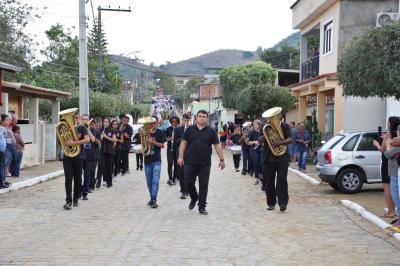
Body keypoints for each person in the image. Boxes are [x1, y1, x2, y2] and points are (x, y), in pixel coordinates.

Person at [178, 110, 225, 215]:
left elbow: (217, 145)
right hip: (190, 161)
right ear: (196, 118)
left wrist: (221, 159)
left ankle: (202, 206)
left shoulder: (211, 131)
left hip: (205, 163)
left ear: (207, 118)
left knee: (203, 185)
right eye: (200, 116)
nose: (202, 118)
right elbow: (183, 143)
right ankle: (194, 197)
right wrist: (180, 157)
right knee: (188, 182)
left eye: (204, 116)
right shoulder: (189, 130)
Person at [259, 112, 292, 212]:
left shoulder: (285, 126)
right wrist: (265, 136)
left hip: (282, 157)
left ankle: (282, 203)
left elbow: (290, 140)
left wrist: (279, 142)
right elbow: (260, 140)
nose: (275, 118)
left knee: (282, 180)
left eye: (277, 116)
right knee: (268, 182)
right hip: (268, 158)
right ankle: (271, 203)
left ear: (280, 116)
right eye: (273, 116)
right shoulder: (265, 127)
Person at [62, 112, 90, 210]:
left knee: (78, 179)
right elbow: (61, 142)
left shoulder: (82, 128)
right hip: (67, 156)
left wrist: (74, 142)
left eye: (77, 118)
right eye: (74, 118)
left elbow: (87, 140)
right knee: (68, 179)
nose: (75, 120)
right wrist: (65, 142)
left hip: (79, 156)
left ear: (79, 119)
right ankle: (68, 201)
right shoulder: (65, 129)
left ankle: (76, 199)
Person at [373, 116, 399, 219]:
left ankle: (391, 211)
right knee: (395, 188)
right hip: (395, 162)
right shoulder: (396, 136)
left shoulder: (389, 135)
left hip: (387, 161)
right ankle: (394, 210)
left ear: (390, 124)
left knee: (388, 187)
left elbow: (383, 150)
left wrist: (377, 144)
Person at [143, 116, 165, 208]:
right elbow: (140, 145)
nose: (153, 125)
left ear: (157, 123)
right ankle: (152, 198)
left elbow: (162, 145)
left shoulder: (160, 132)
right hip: (147, 160)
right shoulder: (144, 133)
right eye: (151, 123)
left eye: (154, 123)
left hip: (156, 160)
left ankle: (153, 199)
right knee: (149, 182)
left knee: (155, 181)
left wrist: (153, 142)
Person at [384, 127, 400, 228]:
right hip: (395, 171)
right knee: (396, 196)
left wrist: (387, 141)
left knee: (396, 196)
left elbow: (388, 154)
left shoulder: (397, 142)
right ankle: (399, 219)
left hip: (395, 172)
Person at [174, 113, 190, 199]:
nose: (186, 122)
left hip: (189, 154)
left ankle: (188, 189)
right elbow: (176, 141)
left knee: (189, 173)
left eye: (187, 121)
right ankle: (184, 191)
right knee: (181, 173)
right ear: (182, 120)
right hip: (180, 154)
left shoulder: (191, 129)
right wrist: (184, 139)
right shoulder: (177, 130)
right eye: (184, 120)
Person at [0, 114, 16, 188]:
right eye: (7, 120)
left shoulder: (7, 127)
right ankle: (2, 182)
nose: (8, 121)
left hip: (10, 147)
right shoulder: (1, 128)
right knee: (3, 166)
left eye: (9, 120)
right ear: (2, 121)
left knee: (5, 166)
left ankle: (3, 180)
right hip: (6, 147)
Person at [99, 118, 116, 188]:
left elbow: (114, 140)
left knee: (109, 167)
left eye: (107, 122)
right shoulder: (101, 130)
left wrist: (106, 137)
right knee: (102, 166)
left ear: (109, 123)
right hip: (102, 151)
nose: (105, 123)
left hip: (110, 151)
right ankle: (103, 180)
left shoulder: (112, 130)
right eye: (104, 122)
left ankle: (109, 182)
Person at [87, 118, 101, 192]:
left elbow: (98, 142)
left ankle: (91, 186)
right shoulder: (84, 132)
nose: (91, 125)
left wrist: (89, 131)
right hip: (86, 154)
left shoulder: (97, 132)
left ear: (94, 124)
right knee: (87, 171)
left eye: (92, 124)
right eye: (89, 124)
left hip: (95, 154)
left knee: (92, 170)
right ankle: (88, 184)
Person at [166, 115, 180, 186]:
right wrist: (169, 139)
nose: (174, 123)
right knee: (170, 163)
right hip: (170, 148)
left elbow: (181, 139)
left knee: (176, 164)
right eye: (172, 122)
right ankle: (170, 178)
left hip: (177, 148)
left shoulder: (179, 129)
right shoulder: (168, 129)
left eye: (175, 122)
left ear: (177, 122)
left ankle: (174, 178)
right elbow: (165, 138)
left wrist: (176, 139)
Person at [248, 120, 263, 184]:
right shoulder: (251, 132)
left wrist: (262, 143)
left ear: (259, 125)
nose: (254, 126)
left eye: (255, 124)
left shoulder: (262, 132)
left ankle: (260, 175)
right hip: (253, 150)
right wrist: (254, 142)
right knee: (256, 163)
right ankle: (256, 179)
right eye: (253, 124)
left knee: (261, 164)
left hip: (262, 150)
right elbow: (248, 142)